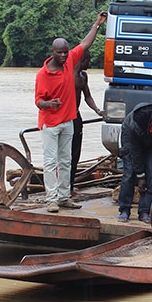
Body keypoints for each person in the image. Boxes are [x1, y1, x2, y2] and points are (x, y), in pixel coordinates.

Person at [35, 12, 107, 213]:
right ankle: (51, 199)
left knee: (66, 160)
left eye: (66, 52)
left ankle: (64, 197)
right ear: (53, 52)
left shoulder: (70, 64)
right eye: (60, 53)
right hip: (50, 123)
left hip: (68, 121)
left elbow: (85, 44)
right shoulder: (43, 75)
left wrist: (97, 24)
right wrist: (50, 104)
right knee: (51, 162)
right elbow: (38, 102)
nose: (64, 56)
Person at [117, 104, 152, 223]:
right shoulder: (135, 125)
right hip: (132, 140)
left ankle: (144, 211)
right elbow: (136, 152)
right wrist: (140, 176)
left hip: (151, 140)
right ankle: (124, 209)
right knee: (129, 172)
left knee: (151, 173)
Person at [70, 50, 104, 195]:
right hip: (65, 118)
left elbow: (87, 97)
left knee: (75, 154)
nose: (89, 65)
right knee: (65, 154)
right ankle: (63, 187)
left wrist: (97, 110)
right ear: (82, 60)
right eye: (88, 61)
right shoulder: (67, 75)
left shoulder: (83, 76)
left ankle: (70, 186)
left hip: (77, 117)